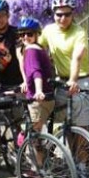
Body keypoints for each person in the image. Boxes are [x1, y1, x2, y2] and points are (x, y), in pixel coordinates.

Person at [38, 0, 89, 130]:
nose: (63, 18)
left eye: (67, 14)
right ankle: (69, 152)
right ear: (53, 14)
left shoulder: (79, 32)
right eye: (59, 14)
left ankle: (83, 152)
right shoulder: (48, 30)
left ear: (72, 14)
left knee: (82, 129)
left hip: (80, 82)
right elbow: (38, 50)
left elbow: (77, 57)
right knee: (67, 126)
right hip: (61, 82)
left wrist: (73, 80)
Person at [17, 17, 55, 166]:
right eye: (22, 34)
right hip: (48, 98)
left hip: (38, 99)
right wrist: (26, 82)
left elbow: (36, 72)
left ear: (37, 34)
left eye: (30, 34)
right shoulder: (39, 48)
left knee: (33, 137)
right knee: (34, 133)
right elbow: (30, 73)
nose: (25, 37)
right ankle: (41, 164)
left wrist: (38, 90)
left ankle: (38, 171)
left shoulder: (31, 49)